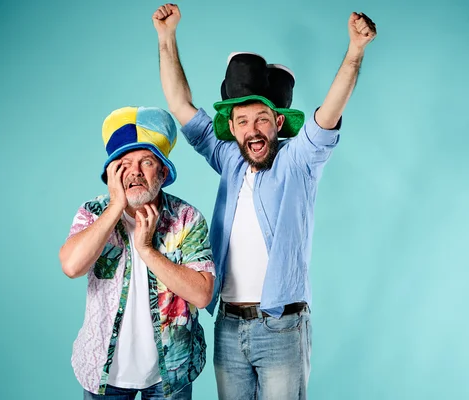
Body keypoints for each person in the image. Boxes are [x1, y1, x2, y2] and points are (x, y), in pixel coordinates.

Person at [152, 3, 377, 399]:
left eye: (261, 119)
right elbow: (181, 106)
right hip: (228, 325)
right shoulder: (230, 160)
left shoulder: (297, 162)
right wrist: (166, 38)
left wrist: (355, 49)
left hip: (282, 327)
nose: (252, 130)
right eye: (242, 121)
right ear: (232, 128)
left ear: (277, 122)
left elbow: (328, 113)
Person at [59, 106, 215, 399]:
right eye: (124, 163)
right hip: (104, 373)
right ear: (111, 172)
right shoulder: (93, 213)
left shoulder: (186, 218)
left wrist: (146, 249)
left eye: (146, 162)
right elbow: (71, 266)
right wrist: (115, 206)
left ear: (164, 172)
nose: (135, 172)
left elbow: (202, 294)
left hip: (171, 372)